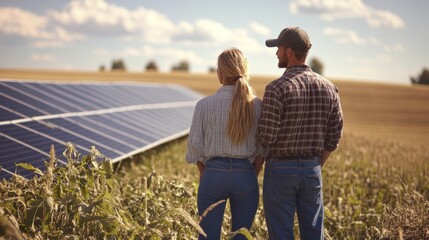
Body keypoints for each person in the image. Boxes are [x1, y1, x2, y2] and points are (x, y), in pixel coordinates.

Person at [256, 27, 343, 239]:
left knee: (281, 234)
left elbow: (267, 136)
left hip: (279, 170)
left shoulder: (276, 88)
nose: (276, 52)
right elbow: (335, 134)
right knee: (314, 233)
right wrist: (314, 164)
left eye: (278, 48)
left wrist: (255, 168)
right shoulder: (329, 87)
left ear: (288, 52)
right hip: (312, 169)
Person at [186, 48, 264, 240]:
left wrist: (204, 171)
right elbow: (263, 147)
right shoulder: (258, 105)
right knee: (241, 236)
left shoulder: (204, 105)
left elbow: (194, 146)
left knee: (207, 236)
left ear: (220, 74)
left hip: (213, 174)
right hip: (245, 175)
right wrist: (252, 172)